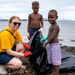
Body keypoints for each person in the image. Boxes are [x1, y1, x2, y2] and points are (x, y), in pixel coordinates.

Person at [42, 9, 61, 75]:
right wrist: (45, 38)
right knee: (52, 60)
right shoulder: (51, 25)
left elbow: (52, 37)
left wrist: (46, 43)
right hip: (50, 45)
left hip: (55, 46)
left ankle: (57, 73)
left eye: (52, 17)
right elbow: (49, 35)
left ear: (56, 17)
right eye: (49, 17)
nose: (50, 19)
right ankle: (53, 72)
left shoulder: (56, 26)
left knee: (56, 61)